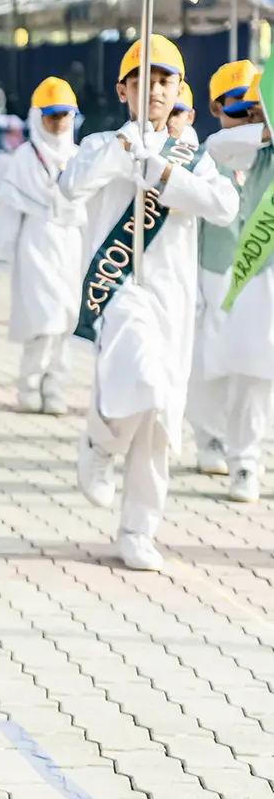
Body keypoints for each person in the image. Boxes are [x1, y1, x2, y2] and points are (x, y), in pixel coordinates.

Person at [63, 35, 238, 571]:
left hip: (172, 299)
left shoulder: (193, 158)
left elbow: (224, 207)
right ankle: (100, 443)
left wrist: (163, 172)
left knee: (161, 416)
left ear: (179, 90)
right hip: (119, 289)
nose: (155, 90)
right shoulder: (102, 143)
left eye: (165, 81)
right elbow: (71, 186)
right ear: (124, 90)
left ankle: (138, 529)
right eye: (143, 80)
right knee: (142, 378)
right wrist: (125, 151)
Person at [0, 77, 85, 416]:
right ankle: (29, 387)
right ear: (36, 117)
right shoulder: (24, 158)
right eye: (51, 115)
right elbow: (9, 214)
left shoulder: (79, 157)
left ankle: (55, 388)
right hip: (35, 247)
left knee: (65, 325)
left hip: (71, 247)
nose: (58, 122)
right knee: (42, 323)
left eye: (64, 115)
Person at [202, 70, 274, 503]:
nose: (250, 116)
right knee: (251, 373)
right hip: (258, 276)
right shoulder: (260, 150)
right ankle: (244, 462)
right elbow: (218, 145)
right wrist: (265, 128)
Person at [189, 60, 259, 478]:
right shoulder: (205, 158)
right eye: (236, 106)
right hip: (215, 272)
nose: (247, 115)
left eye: (253, 106)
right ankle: (210, 438)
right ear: (216, 108)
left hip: (260, 275)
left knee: (254, 365)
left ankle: (246, 451)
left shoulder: (266, 153)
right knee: (213, 360)